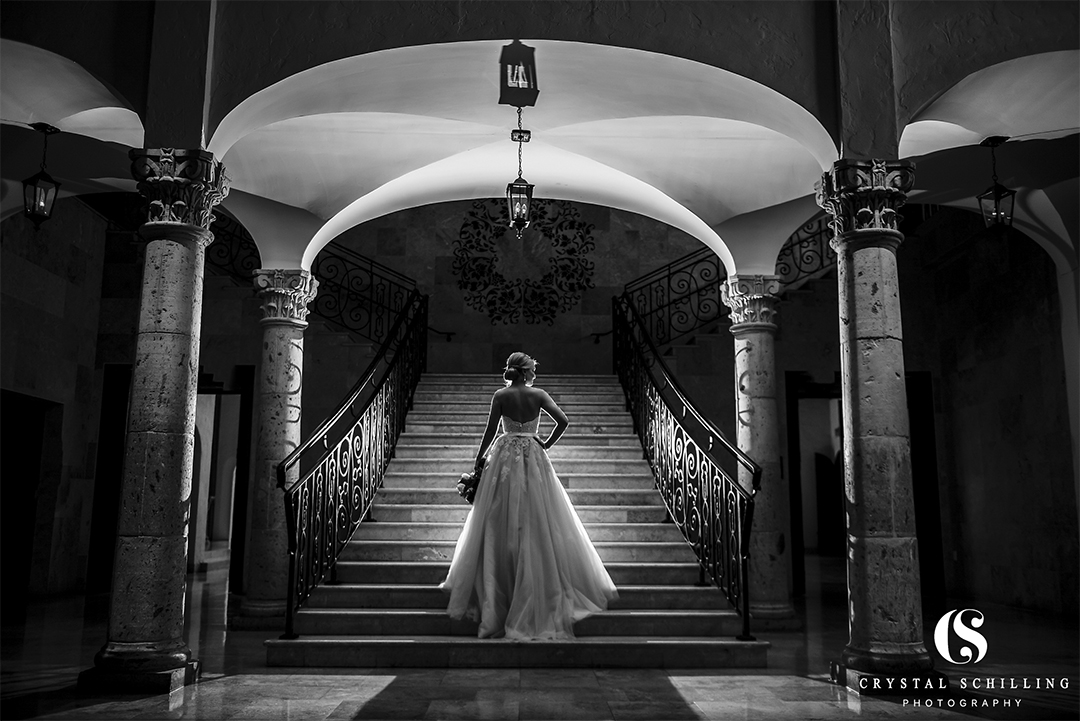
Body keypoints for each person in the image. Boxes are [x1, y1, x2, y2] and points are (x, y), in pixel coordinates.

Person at [440, 352, 618, 639]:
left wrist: (478, 460)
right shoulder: (539, 395)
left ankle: (498, 585)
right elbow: (563, 421)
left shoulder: (500, 395)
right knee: (538, 513)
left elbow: (489, 431)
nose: (535, 373)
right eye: (533, 369)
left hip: (504, 453)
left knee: (499, 516)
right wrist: (545, 443)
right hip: (533, 454)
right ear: (526, 372)